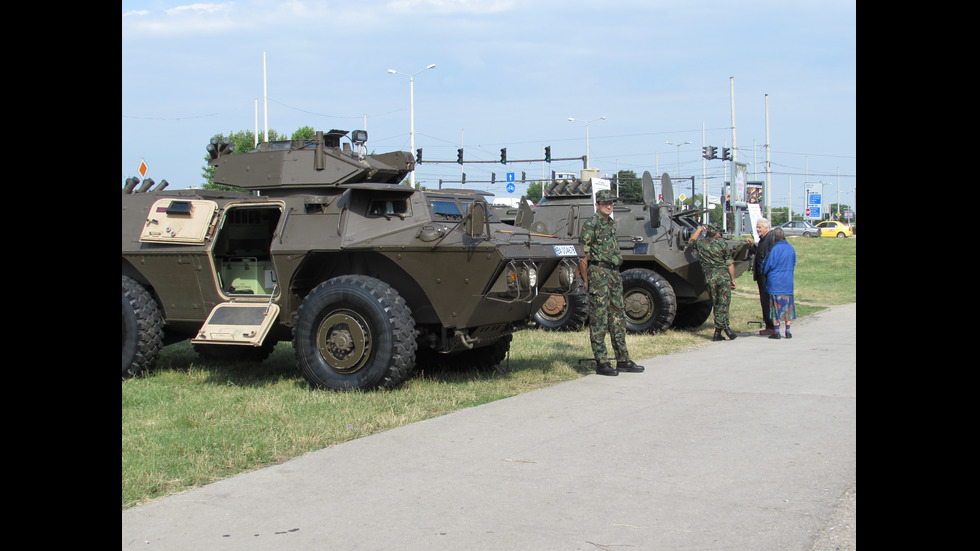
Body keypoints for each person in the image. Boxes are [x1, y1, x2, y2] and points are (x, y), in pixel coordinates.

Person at [578, 189, 644, 376]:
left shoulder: (611, 224)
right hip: (598, 272)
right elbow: (583, 255)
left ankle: (623, 359)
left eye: (611, 203)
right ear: (597, 205)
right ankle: (602, 361)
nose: (609, 206)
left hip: (614, 273)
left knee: (618, 317)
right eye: (605, 203)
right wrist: (585, 279)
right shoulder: (591, 224)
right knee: (599, 317)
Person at [689, 224, 737, 341]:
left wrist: (698, 230)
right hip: (722, 278)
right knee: (723, 304)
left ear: (707, 233)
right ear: (717, 234)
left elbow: (691, 241)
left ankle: (721, 330)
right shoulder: (722, 245)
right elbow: (730, 264)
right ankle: (721, 330)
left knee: (716, 304)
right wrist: (733, 279)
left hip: (710, 279)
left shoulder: (701, 244)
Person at [761, 227, 796, 339]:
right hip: (788, 282)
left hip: (775, 282)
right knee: (788, 307)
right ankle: (788, 331)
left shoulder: (774, 250)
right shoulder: (791, 249)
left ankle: (776, 332)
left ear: (774, 238)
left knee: (775, 308)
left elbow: (766, 265)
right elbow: (793, 263)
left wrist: (764, 273)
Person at [746, 218, 776, 335]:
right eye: (757, 227)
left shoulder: (770, 240)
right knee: (764, 300)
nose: (757, 230)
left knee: (767, 301)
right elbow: (759, 253)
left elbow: (770, 258)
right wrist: (753, 245)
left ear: (766, 228)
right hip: (761, 276)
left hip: (766, 276)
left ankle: (771, 326)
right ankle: (769, 325)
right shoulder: (763, 240)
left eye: (759, 227)